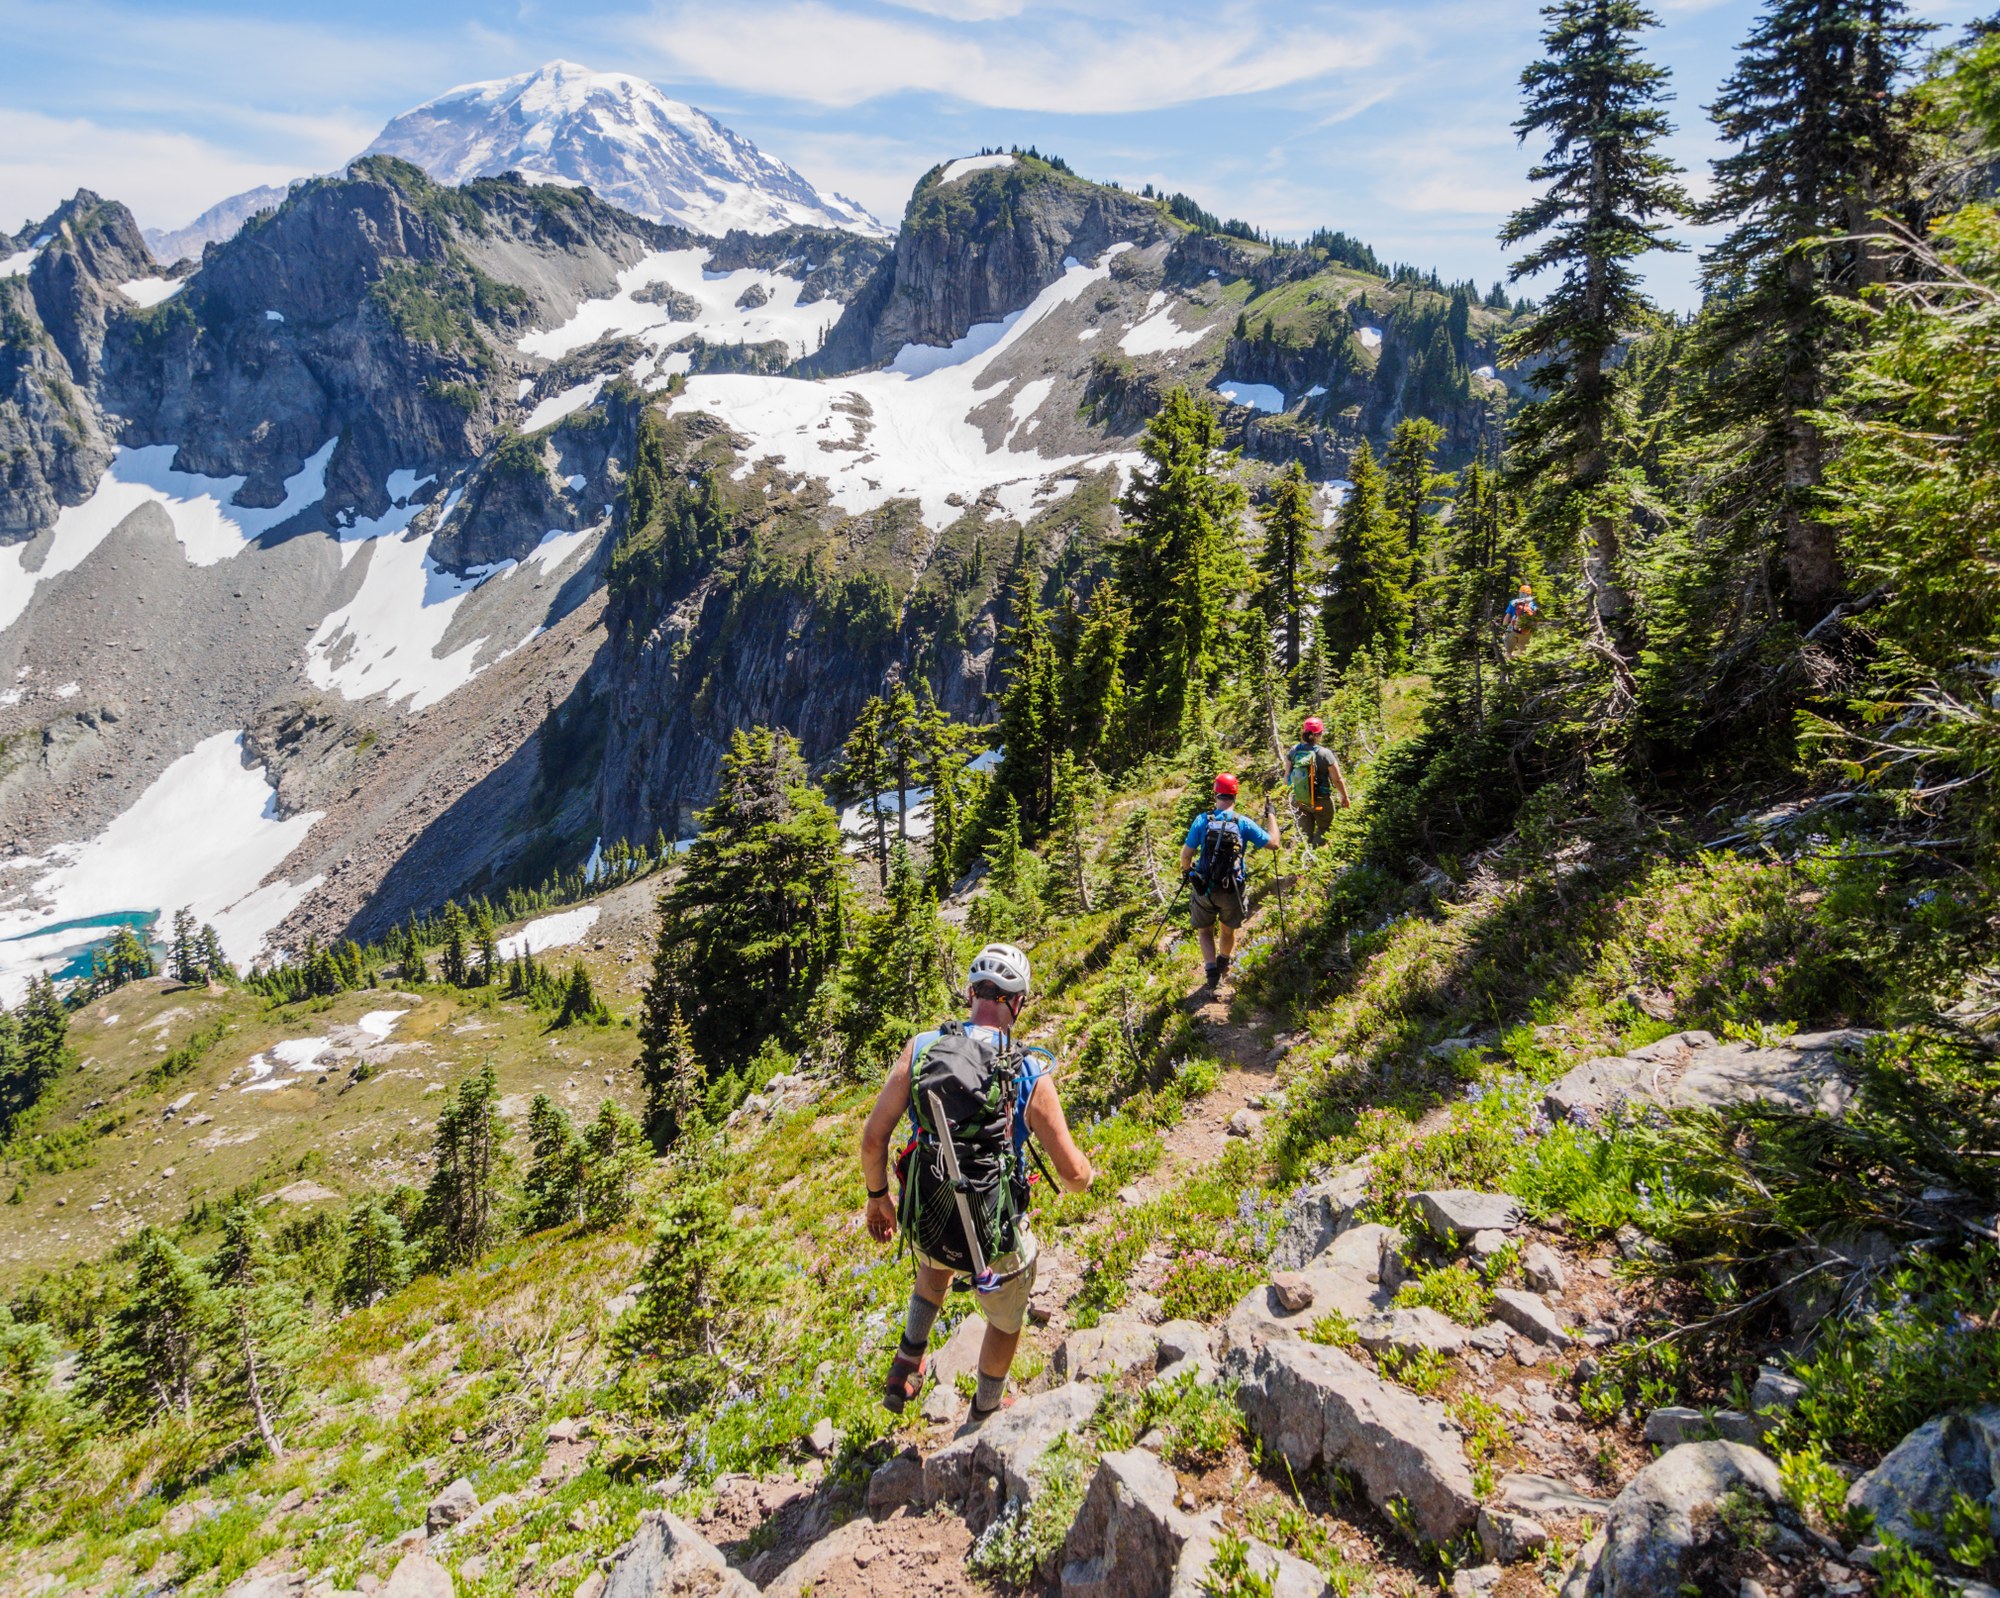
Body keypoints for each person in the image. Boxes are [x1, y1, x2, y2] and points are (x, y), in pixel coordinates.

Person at [860, 942, 1093, 1418]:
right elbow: (1073, 1176)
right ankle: (986, 1408)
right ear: (1018, 1001)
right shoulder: (1028, 1070)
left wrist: (878, 1197)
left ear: (971, 993)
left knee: (934, 1261)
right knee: (1008, 1319)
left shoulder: (923, 1047)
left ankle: (908, 1358)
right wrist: (1089, 1175)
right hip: (993, 1231)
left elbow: (872, 1139)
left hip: (928, 1213)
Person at [1179, 773, 1277, 988]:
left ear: (1216, 794)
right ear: (1235, 795)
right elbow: (1274, 844)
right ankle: (1224, 961)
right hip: (1232, 888)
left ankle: (1211, 973)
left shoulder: (1202, 820)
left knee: (1205, 930)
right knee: (1227, 930)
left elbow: (1186, 855)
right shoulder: (1243, 823)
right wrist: (1271, 815)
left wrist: (1189, 873)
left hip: (1204, 887)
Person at [1286, 717, 1351, 846]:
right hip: (1321, 800)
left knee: (1304, 836)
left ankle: (1304, 860)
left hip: (1299, 801)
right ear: (1319, 734)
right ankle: (1316, 859)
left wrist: (1288, 797)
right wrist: (1344, 796)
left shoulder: (1294, 751)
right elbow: (1337, 779)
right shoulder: (1325, 754)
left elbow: (1287, 775)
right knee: (1325, 829)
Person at [1501, 583, 1538, 654]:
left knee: (1508, 652)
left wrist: (1504, 630)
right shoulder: (1533, 604)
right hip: (1526, 631)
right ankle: (1521, 662)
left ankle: (1509, 661)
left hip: (1513, 630)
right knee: (1524, 652)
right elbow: (1535, 619)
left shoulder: (1513, 603)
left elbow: (1507, 617)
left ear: (1520, 593)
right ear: (1530, 594)